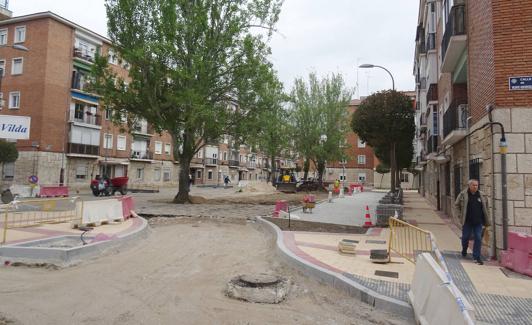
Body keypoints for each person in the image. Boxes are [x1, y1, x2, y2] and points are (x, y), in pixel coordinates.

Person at [454, 179, 490, 265]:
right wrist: (459, 216)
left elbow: (486, 207)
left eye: (476, 185)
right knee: (465, 237)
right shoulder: (463, 194)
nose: (475, 187)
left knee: (478, 238)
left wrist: (486, 219)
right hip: (467, 221)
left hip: (478, 222)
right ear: (469, 186)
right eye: (473, 185)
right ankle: (464, 249)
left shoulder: (482, 195)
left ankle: (476, 257)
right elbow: (456, 205)